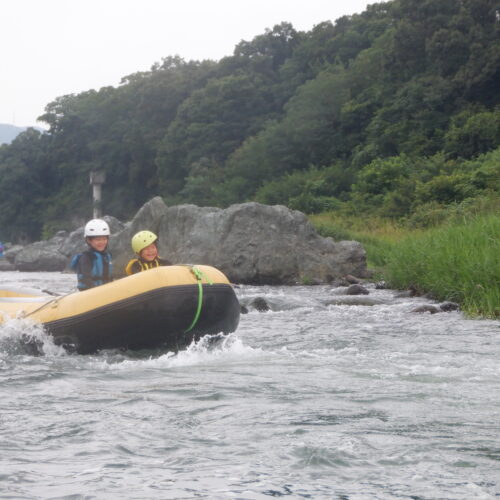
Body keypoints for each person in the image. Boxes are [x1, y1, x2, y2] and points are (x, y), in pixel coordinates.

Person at [70, 219, 113, 291]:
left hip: (105, 291)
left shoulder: (107, 256)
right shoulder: (86, 257)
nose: (102, 242)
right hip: (89, 293)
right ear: (88, 240)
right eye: (98, 239)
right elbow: (86, 278)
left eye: (104, 239)